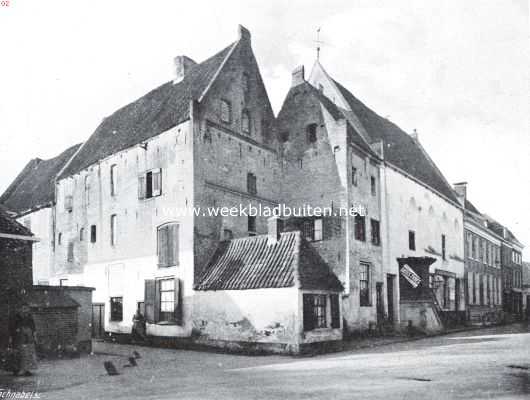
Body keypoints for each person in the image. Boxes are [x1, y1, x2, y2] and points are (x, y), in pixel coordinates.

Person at [8, 304, 37, 377]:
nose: (25, 310)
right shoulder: (16, 317)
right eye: (23, 308)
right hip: (18, 337)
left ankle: (26, 369)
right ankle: (17, 369)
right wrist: (14, 333)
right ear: (20, 309)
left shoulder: (29, 317)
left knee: (28, 353)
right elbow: (12, 327)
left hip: (28, 337)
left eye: (26, 309)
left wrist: (34, 334)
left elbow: (33, 327)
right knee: (19, 353)